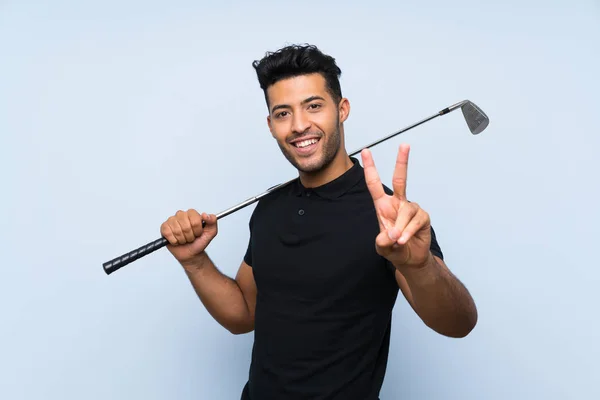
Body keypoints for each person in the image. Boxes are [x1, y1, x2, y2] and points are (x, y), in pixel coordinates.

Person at [160, 44, 478, 400]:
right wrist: (195, 261)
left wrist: (419, 266)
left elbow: (459, 323)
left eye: (313, 106)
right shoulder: (269, 208)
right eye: (283, 113)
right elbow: (244, 314)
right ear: (270, 125)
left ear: (341, 110)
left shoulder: (389, 215)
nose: (299, 126)